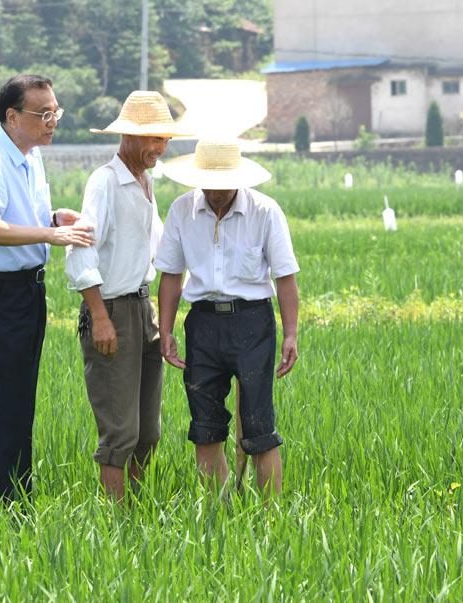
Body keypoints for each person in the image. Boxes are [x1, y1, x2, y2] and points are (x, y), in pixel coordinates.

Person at [0, 74, 94, 503]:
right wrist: (47, 236)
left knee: (19, 401)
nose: (52, 120)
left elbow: (24, 215)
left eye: (56, 111)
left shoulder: (29, 154)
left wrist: (55, 219)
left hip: (26, 292)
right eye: (43, 113)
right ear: (12, 116)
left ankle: (16, 498)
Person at [155, 140, 300, 498]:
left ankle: (271, 519)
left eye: (223, 184)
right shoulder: (182, 210)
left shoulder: (264, 211)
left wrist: (291, 335)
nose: (216, 193)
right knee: (205, 425)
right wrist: (166, 329)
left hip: (253, 323)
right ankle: (217, 515)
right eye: (208, 184)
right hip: (203, 324)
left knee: (259, 426)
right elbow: (171, 275)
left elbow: (285, 278)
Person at [65, 91, 190, 501]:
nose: (159, 149)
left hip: (143, 309)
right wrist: (99, 316)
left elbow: (160, 246)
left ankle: (133, 510)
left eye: (165, 141)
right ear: (129, 137)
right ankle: (116, 523)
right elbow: (80, 246)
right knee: (121, 431)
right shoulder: (105, 181)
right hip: (112, 310)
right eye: (152, 139)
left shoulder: (145, 183)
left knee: (148, 432)